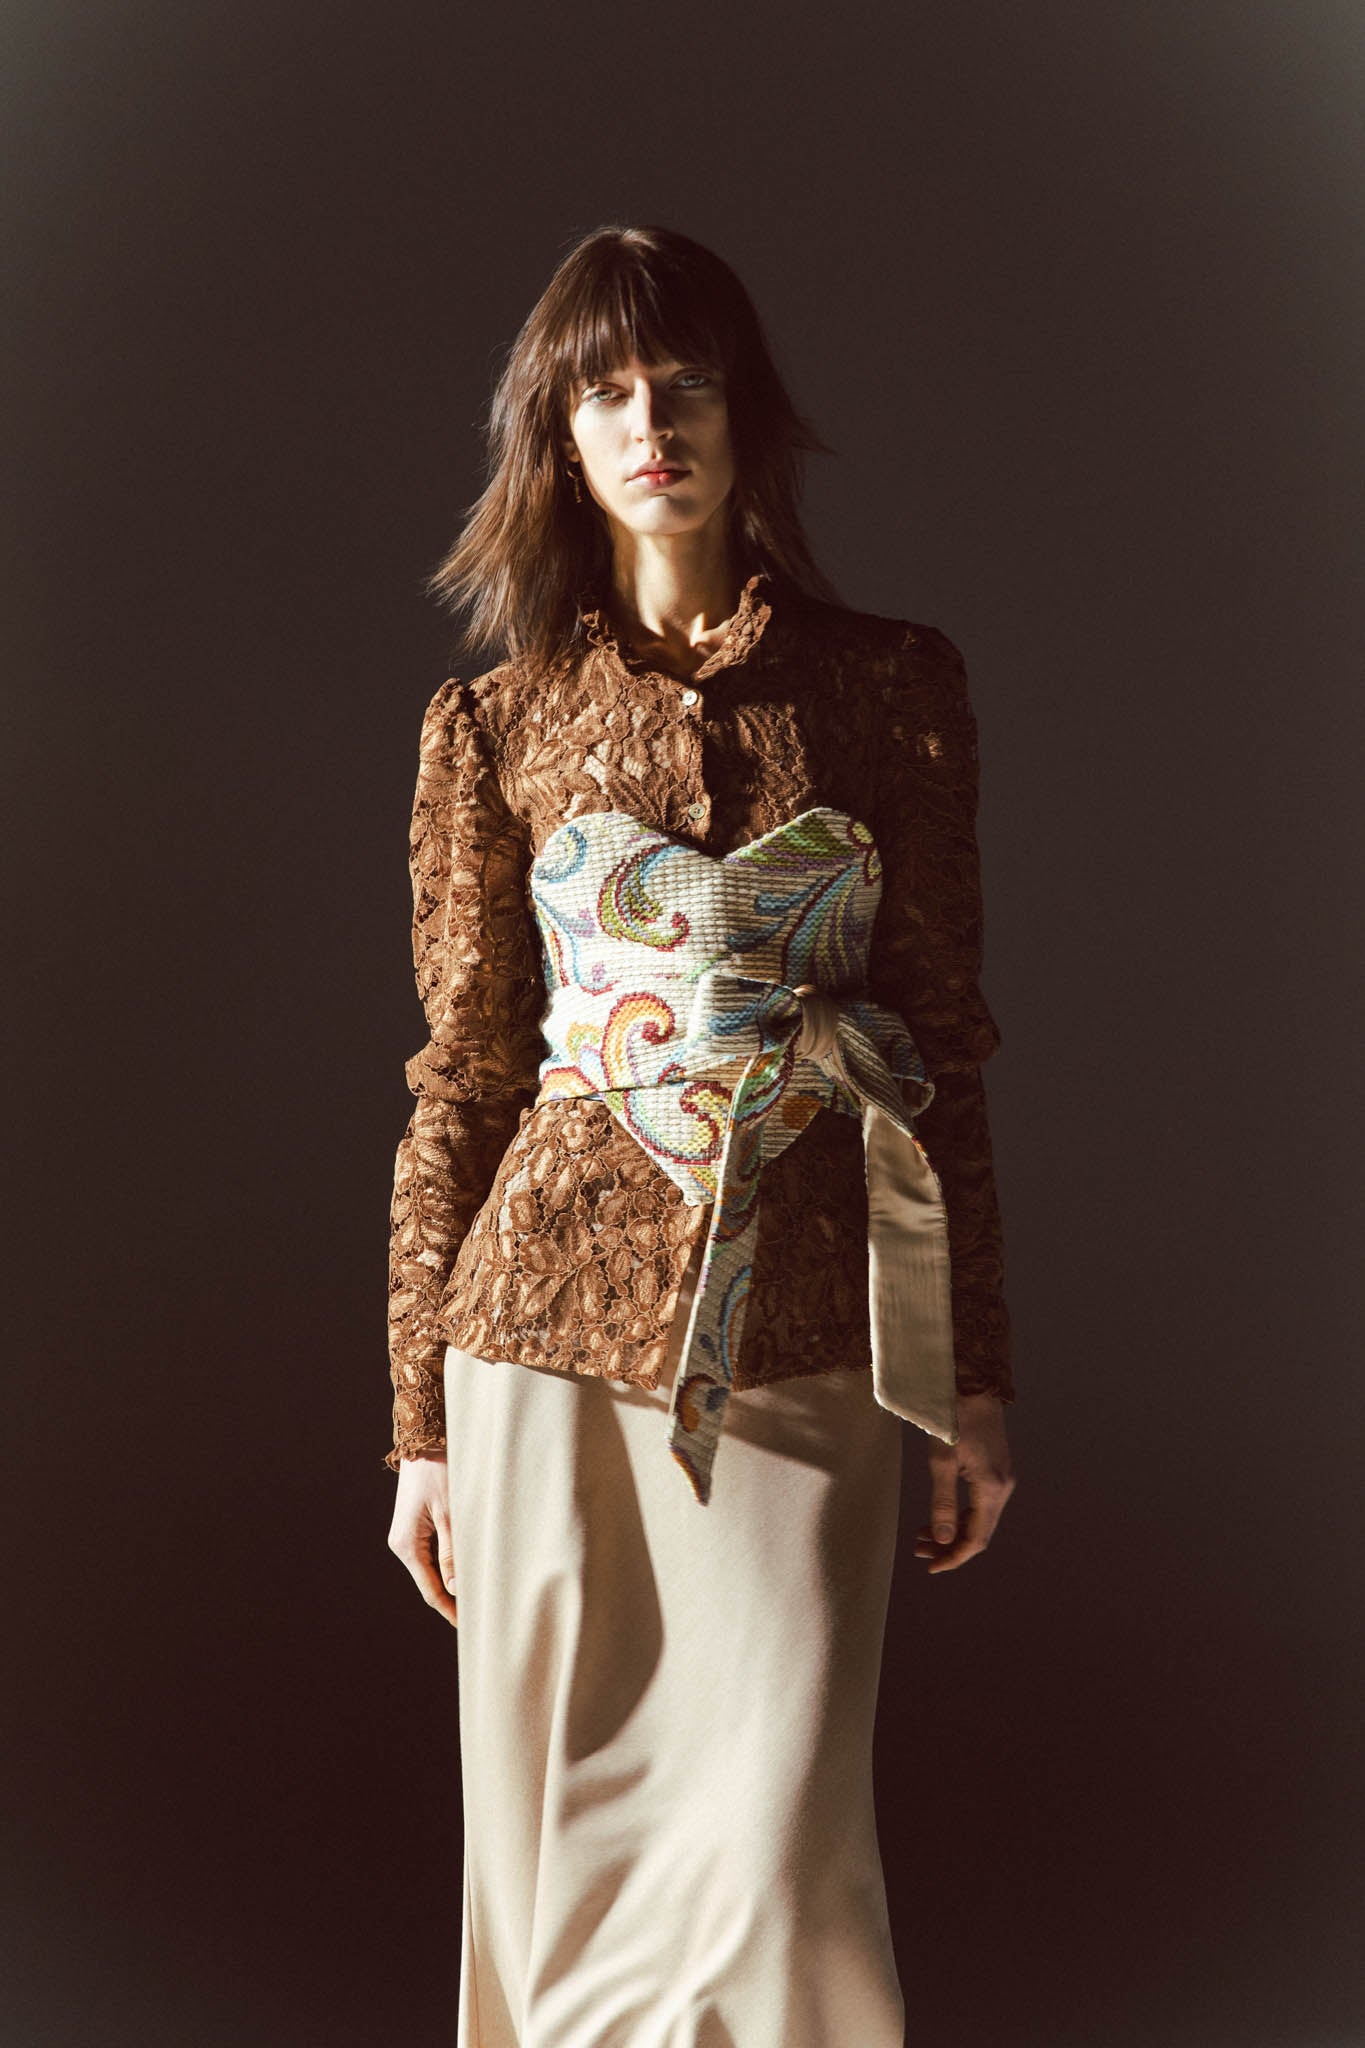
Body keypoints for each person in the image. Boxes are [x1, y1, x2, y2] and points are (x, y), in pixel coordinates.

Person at [385, 221, 1017, 2047]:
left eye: (683, 383)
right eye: (603, 393)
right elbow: (461, 1081)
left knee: (776, 1864)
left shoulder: (893, 688)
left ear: (745, 413)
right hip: (538, 1348)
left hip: (814, 1330)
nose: (648, 424)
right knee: (564, 1873)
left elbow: (942, 1049)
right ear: (557, 437)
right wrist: (419, 1426)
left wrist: (972, 1377)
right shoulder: (491, 723)